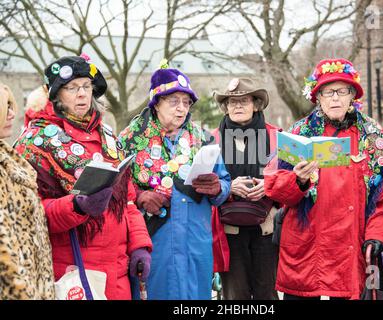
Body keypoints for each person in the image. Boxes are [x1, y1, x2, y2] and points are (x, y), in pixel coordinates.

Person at [14, 55, 152, 300]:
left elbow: (128, 201)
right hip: (72, 276)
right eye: (72, 88)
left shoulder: (109, 137)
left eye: (86, 86)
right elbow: (30, 215)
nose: (82, 94)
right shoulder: (34, 142)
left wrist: (140, 245)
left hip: (118, 274)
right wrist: (77, 206)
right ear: (55, 94)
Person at [264, 58, 383, 300]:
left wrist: (376, 234)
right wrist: (299, 180)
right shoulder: (298, 134)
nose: (335, 98)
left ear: (352, 96)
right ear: (318, 97)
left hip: (352, 252)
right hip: (307, 251)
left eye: (342, 91)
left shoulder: (374, 138)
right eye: (328, 92)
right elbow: (274, 189)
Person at [119, 60, 231, 300]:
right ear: (156, 103)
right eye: (173, 102)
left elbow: (224, 182)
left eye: (186, 102)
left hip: (195, 243)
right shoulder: (130, 139)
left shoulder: (202, 138)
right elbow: (116, 189)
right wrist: (139, 196)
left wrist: (217, 188)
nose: (181, 108)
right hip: (154, 242)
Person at [211, 78, 280, 300]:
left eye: (244, 100)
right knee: (234, 297)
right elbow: (203, 182)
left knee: (266, 294)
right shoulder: (212, 139)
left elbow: (290, 178)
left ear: (256, 104)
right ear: (226, 107)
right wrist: (229, 187)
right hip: (229, 230)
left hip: (266, 229)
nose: (238, 106)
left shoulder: (276, 136)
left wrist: (268, 187)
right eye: (232, 102)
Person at [0, 83, 55, 300]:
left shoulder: (10, 159)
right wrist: (22, 292)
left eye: (12, 106)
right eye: (6, 108)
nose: (13, 113)